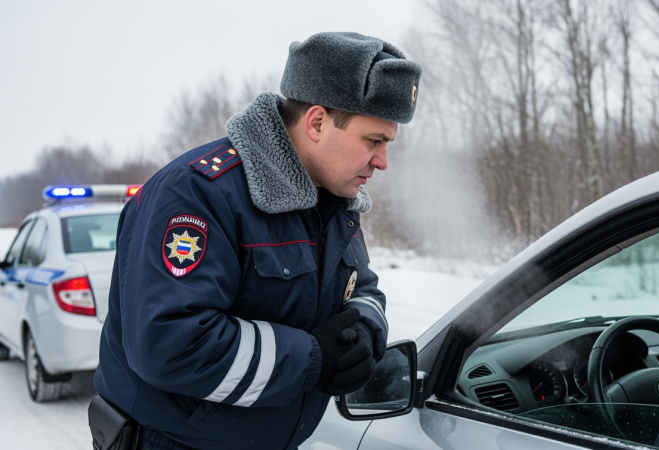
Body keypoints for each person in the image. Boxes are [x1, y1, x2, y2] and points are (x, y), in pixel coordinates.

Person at [93, 32, 422, 450]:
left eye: (387, 144)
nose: (382, 161)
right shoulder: (197, 194)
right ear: (317, 122)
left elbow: (362, 285)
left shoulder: (336, 202)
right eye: (373, 141)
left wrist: (363, 331)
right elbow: (170, 343)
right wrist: (314, 359)